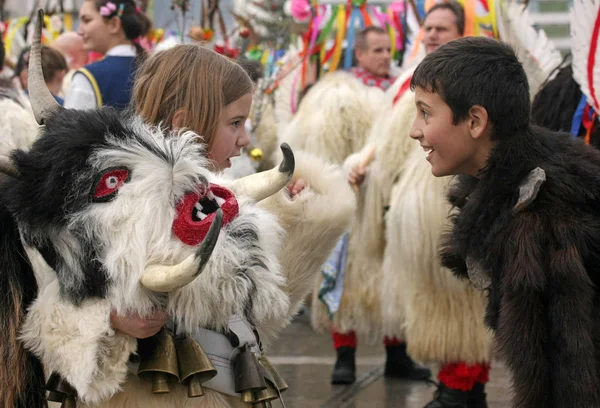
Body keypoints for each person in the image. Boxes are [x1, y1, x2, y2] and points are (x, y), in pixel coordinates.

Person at [412, 35, 600, 408]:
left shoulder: (545, 224)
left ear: (476, 121)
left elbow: (571, 381)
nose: (414, 130)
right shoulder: (513, 195)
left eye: (425, 113)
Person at [64, 0, 151, 110]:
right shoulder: (156, 70)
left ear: (114, 24)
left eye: (87, 20)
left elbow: (68, 126)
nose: (79, 31)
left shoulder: (88, 77)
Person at [53, 31, 90, 97]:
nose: (53, 59)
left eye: (56, 54)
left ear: (72, 55)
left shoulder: (69, 80)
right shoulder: (90, 76)